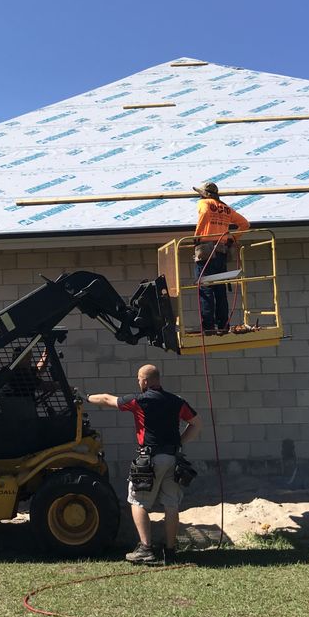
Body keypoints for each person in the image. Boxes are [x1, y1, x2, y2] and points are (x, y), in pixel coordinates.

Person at [88, 364, 202, 565]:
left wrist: (85, 397)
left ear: (146, 381)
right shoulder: (176, 401)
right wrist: (178, 442)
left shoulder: (139, 400)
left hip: (150, 460)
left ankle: (146, 549)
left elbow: (107, 399)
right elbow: (197, 423)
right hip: (174, 459)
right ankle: (170, 551)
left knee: (138, 501)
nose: (138, 382)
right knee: (171, 504)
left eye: (139, 379)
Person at [192, 180, 250, 335]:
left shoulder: (205, 203)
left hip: (205, 250)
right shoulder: (225, 208)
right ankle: (223, 326)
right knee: (220, 289)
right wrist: (233, 238)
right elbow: (245, 224)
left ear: (204, 194)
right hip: (221, 250)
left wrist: (197, 235)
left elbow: (204, 214)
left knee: (205, 288)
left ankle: (209, 327)